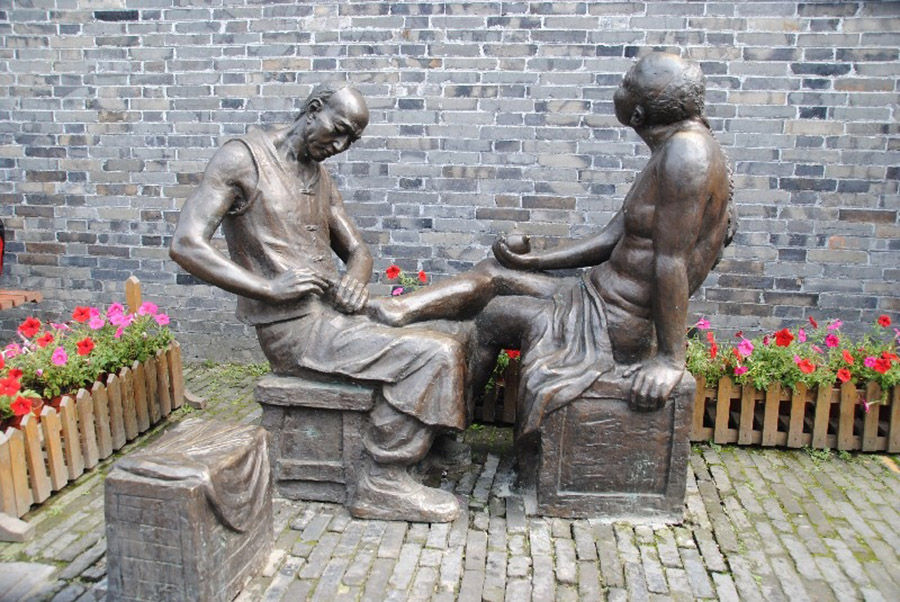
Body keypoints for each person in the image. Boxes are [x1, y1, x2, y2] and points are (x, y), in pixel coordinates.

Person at [369, 52, 734, 433]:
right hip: (595, 295)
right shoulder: (674, 148)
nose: (618, 89)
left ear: (638, 114)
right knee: (495, 272)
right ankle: (397, 310)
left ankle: (443, 438)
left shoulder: (686, 153)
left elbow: (672, 261)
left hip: (614, 322)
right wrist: (532, 262)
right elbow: (611, 238)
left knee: (492, 317)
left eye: (626, 84)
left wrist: (670, 360)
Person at [169, 84, 467, 522]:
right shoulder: (242, 160)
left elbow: (359, 252)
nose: (341, 146)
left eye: (352, 140)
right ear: (313, 110)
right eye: (339, 130)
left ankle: (430, 446)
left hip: (333, 314)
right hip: (294, 329)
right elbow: (186, 244)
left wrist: (355, 282)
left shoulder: (319, 176)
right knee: (435, 355)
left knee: (456, 331)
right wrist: (268, 288)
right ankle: (382, 480)